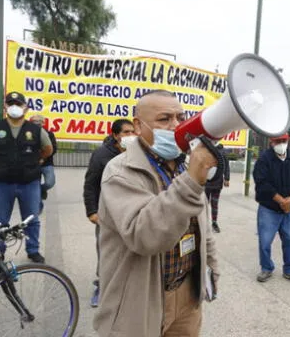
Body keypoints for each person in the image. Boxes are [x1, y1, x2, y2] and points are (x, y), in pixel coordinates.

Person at [93, 90, 219, 337]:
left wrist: (211, 267)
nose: (175, 126)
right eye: (164, 119)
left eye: (180, 118)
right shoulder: (120, 171)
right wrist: (192, 180)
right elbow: (145, 236)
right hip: (142, 297)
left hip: (187, 295)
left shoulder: (184, 165)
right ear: (139, 125)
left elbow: (202, 226)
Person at [0, 92, 53, 269]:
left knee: (32, 219)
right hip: (1, 182)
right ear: (5, 107)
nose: (14, 107)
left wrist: (36, 162)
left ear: (25, 107)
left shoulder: (35, 130)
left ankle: (33, 250)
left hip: (29, 182)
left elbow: (47, 149)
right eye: (10, 103)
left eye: (18, 104)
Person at [83, 118, 135, 308]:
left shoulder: (138, 153)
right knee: (106, 251)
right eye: (125, 133)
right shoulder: (102, 155)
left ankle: (128, 286)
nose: (130, 136)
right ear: (115, 135)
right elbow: (90, 184)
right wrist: (92, 211)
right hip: (107, 213)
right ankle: (102, 285)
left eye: (132, 132)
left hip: (131, 211)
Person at [253, 133, 290, 285]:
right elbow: (261, 182)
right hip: (269, 208)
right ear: (271, 142)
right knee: (265, 241)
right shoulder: (264, 158)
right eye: (278, 141)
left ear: (288, 140)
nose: (281, 143)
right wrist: (281, 200)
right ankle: (266, 267)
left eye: (284, 141)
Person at [30, 115, 58, 212]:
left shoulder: (49, 134)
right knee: (35, 184)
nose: (37, 123)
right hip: (33, 164)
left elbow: (53, 148)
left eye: (39, 121)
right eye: (34, 121)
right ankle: (38, 206)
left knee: (50, 182)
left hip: (47, 163)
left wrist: (43, 158)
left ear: (43, 123)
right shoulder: (27, 134)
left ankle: (42, 189)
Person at [204, 143, 230, 233]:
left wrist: (227, 178)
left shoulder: (222, 152)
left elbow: (227, 166)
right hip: (206, 183)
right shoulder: (206, 150)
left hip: (217, 183)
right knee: (204, 204)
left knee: (214, 204)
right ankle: (203, 222)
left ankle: (214, 222)